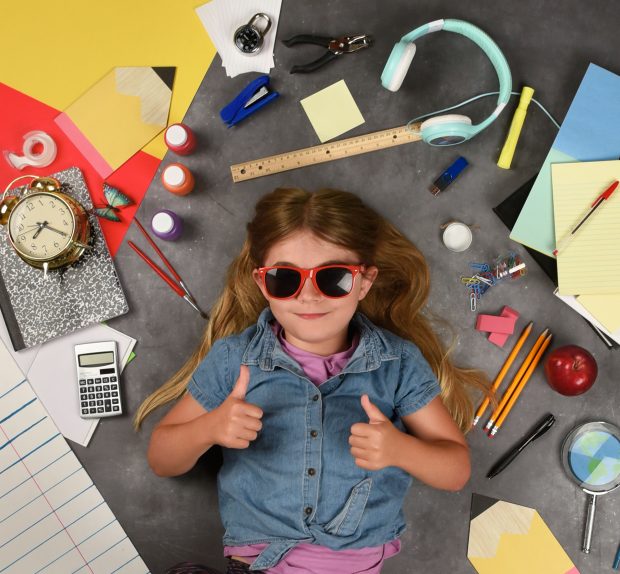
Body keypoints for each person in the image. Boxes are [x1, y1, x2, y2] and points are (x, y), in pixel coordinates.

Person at [135, 187, 490, 574]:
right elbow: (161, 458)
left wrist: (399, 449)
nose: (307, 296)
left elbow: (455, 471)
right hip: (259, 562)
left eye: (333, 278)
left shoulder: (397, 363)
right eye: (285, 279)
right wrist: (209, 427)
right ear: (261, 283)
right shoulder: (235, 360)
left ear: (365, 282)